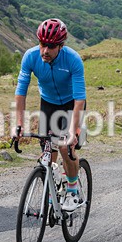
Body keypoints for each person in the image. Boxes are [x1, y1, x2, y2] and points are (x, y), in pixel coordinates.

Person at [14, 18, 86, 211]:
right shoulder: (30, 57)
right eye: (42, 44)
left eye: (51, 46)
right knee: (48, 150)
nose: (45, 50)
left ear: (61, 46)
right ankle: (51, 188)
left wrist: (73, 131)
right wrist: (19, 124)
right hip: (49, 104)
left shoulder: (73, 60)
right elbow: (21, 92)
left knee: (65, 147)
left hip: (72, 105)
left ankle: (72, 189)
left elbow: (80, 99)